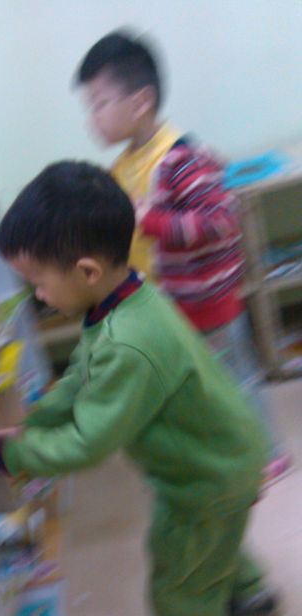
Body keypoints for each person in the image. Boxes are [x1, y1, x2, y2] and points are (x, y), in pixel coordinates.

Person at [0, 161, 279, 616]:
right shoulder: (126, 299)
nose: (38, 297)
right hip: (227, 453)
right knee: (214, 539)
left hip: (204, 475)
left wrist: (6, 455)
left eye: (39, 283)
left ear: (86, 271)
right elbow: (83, 377)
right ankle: (251, 595)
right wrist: (36, 421)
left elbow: (89, 442)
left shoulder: (127, 343)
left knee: (181, 573)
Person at [74, 30, 292, 486]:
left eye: (99, 104)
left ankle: (267, 455)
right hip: (170, 304)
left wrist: (150, 219)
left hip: (208, 303)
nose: (92, 119)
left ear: (140, 102)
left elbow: (219, 221)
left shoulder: (181, 159)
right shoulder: (125, 166)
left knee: (236, 379)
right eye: (88, 107)